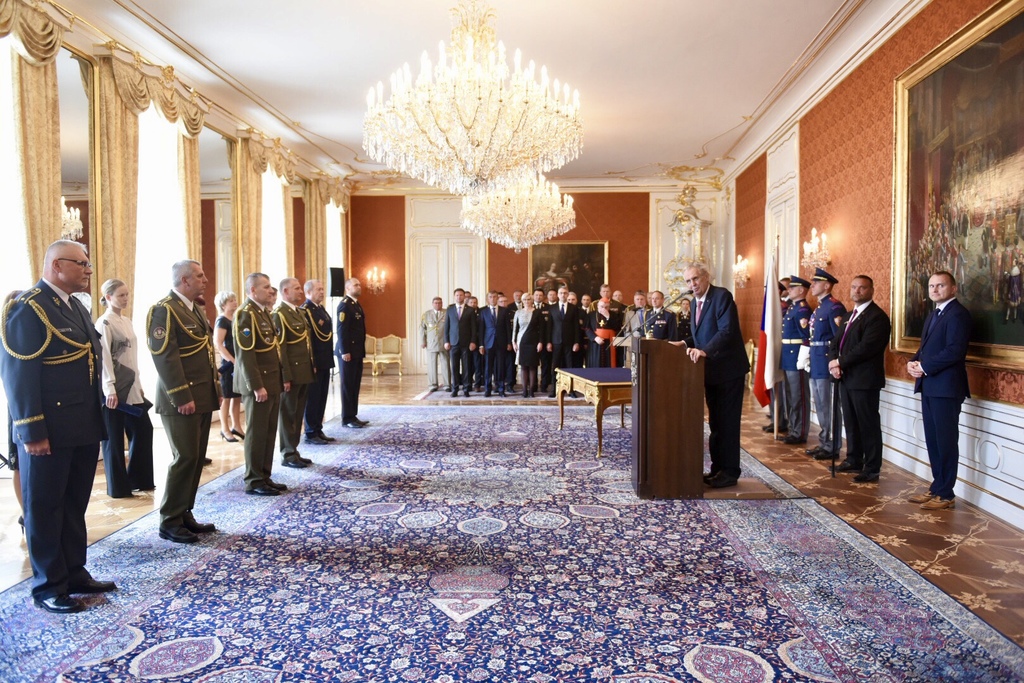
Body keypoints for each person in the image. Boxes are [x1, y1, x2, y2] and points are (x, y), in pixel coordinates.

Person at [0, 240, 114, 613]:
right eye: (82, 263)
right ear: (55, 266)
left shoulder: (74, 306)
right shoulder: (28, 309)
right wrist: (31, 432)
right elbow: (19, 376)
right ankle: (49, 586)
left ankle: (74, 571)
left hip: (80, 424)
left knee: (73, 505)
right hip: (48, 430)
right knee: (44, 508)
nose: (88, 270)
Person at [148, 259, 221, 544]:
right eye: (200, 276)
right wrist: (181, 395)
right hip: (181, 398)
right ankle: (169, 520)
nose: (205, 280)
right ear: (184, 280)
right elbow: (165, 357)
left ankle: (184, 512)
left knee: (195, 460)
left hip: (201, 395)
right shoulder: (164, 310)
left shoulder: (194, 308)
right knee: (185, 458)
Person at [672, 264, 749, 489]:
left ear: (706, 278)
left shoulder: (722, 296)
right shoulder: (696, 302)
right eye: (688, 281)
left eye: (695, 279)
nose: (692, 284)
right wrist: (685, 343)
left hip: (728, 371)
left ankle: (730, 471)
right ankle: (718, 469)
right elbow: (702, 335)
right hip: (711, 373)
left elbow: (727, 331)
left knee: (728, 423)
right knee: (716, 423)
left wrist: (705, 351)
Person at [906, 271, 971, 510]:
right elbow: (926, 349)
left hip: (946, 388)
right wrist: (913, 362)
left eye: (940, 285)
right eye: (931, 286)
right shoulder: (935, 314)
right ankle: (937, 487)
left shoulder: (958, 314)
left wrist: (923, 367)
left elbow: (954, 351)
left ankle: (946, 494)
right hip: (930, 386)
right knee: (933, 441)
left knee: (945, 441)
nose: (934, 290)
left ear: (953, 288)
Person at [828, 275, 891, 483]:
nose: (857, 291)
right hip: (846, 378)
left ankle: (872, 467)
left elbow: (866, 348)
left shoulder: (877, 317)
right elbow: (835, 342)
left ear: (872, 290)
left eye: (862, 288)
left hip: (865, 381)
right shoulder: (848, 315)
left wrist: (840, 362)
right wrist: (832, 362)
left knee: (868, 424)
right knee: (851, 422)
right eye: (854, 287)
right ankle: (854, 458)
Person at [96, 278, 155, 499]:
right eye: (121, 295)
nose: (125, 298)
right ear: (108, 297)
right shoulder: (104, 323)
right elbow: (104, 358)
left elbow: (131, 357)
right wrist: (109, 388)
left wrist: (139, 386)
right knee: (113, 438)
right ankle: (118, 488)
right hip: (114, 389)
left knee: (143, 430)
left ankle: (139, 479)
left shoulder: (127, 321)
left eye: (127, 294)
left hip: (131, 386)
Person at [234, 272, 290, 495]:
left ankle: (265, 476)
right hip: (258, 384)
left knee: (268, 431)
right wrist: (257, 385)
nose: (270, 290)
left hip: (271, 381)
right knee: (256, 433)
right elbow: (246, 354)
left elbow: (273, 349)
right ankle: (254, 480)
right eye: (266, 287)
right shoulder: (245, 314)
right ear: (253, 290)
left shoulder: (264, 313)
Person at [273, 278, 315, 468]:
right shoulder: (280, 315)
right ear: (285, 291)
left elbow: (306, 343)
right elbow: (281, 349)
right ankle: (287, 453)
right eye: (297, 288)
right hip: (292, 374)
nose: (300, 291)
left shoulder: (298, 312)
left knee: (298, 414)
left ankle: (294, 450)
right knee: (288, 415)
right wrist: (285, 376)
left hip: (303, 371)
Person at [805, 269, 846, 459]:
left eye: (816, 282)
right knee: (820, 405)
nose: (812, 285)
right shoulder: (819, 308)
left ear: (827, 285)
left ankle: (832, 446)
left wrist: (834, 362)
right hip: (815, 361)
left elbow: (839, 339)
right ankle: (824, 442)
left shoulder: (834, 307)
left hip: (826, 362)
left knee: (828, 406)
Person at [301, 279, 336, 445]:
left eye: (322, 289)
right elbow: (308, 340)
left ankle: (318, 428)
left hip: (325, 359)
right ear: (308, 292)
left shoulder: (320, 309)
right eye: (318, 289)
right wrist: (311, 362)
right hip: (315, 362)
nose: (322, 292)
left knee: (322, 396)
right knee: (313, 398)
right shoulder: (305, 311)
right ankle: (310, 432)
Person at [780, 276, 812, 445]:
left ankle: (799, 432)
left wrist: (803, 359)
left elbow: (806, 337)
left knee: (799, 396)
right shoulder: (792, 308)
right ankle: (793, 429)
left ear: (801, 290)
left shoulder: (802, 310)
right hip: (787, 355)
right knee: (790, 396)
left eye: (793, 287)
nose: (789, 289)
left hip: (796, 356)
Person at [336, 277, 369, 426]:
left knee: (355, 384)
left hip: (356, 351)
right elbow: (342, 330)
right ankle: (347, 418)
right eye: (356, 285)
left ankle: (353, 415)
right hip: (348, 352)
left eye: (359, 284)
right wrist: (345, 351)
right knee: (348, 385)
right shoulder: (344, 306)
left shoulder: (356, 305)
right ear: (347, 288)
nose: (359, 286)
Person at [213, 291, 245, 443]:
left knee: (236, 396)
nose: (234, 302)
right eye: (231, 300)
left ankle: (236, 426)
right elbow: (219, 344)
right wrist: (232, 361)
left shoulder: (236, 318)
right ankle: (224, 428)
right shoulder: (222, 320)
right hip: (228, 364)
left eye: (234, 299)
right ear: (223, 304)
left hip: (237, 362)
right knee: (226, 397)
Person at [444, 288, 477, 397]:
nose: (459, 297)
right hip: (453, 343)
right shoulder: (450, 309)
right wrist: (446, 341)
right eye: (457, 295)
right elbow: (446, 327)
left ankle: (466, 389)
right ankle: (455, 388)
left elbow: (474, 328)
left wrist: (473, 341)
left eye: (461, 295)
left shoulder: (470, 310)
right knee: (454, 367)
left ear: (464, 297)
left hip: (466, 343)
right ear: (454, 296)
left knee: (467, 366)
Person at [478, 290, 511, 397]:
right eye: (490, 297)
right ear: (488, 299)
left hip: (501, 343)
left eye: (495, 297)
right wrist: (481, 345)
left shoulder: (504, 311)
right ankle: (488, 389)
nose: (493, 299)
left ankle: (501, 389)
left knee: (500, 367)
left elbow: (508, 328)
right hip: (488, 343)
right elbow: (481, 329)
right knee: (488, 367)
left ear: (497, 298)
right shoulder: (483, 311)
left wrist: (509, 342)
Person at [512, 294, 546, 397]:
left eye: (529, 299)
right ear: (522, 301)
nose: (527, 301)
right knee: (523, 366)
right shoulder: (518, 312)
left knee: (532, 366)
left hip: (534, 342)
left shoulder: (537, 312)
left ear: (532, 300)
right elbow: (515, 329)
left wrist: (541, 342)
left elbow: (542, 330)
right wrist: (513, 342)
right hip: (521, 341)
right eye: (525, 299)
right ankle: (524, 390)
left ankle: (531, 390)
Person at [548, 285, 579, 396]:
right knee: (555, 366)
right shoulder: (552, 308)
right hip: (555, 341)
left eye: (565, 293)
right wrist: (548, 342)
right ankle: (554, 389)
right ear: (557, 294)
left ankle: (571, 390)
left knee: (570, 366)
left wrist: (576, 342)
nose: (563, 295)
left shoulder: (573, 308)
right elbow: (549, 327)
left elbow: (576, 326)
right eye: (561, 293)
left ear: (568, 294)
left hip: (569, 342)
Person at [420, 296, 450, 392]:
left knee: (445, 364)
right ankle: (433, 385)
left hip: (444, 342)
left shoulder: (447, 313)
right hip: (431, 343)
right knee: (432, 365)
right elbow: (422, 329)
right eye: (436, 303)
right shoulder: (426, 315)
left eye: (439, 303)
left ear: (442, 303)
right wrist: (422, 342)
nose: (437, 305)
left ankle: (447, 384)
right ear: (432, 304)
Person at [532, 288, 554, 392]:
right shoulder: (528, 307)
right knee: (532, 364)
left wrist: (549, 341)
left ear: (544, 296)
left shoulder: (549, 308)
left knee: (545, 364)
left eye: (540, 295)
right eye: (536, 295)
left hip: (545, 340)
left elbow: (550, 327)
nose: (538, 297)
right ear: (533, 296)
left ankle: (544, 385)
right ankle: (533, 385)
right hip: (532, 341)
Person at [585, 299, 617, 368]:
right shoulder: (591, 315)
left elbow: (617, 328)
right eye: (602, 306)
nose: (604, 309)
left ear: (609, 307)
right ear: (598, 306)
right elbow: (587, 328)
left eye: (606, 307)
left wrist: (608, 317)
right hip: (595, 343)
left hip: (609, 343)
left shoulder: (613, 315)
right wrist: (595, 338)